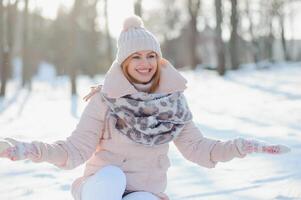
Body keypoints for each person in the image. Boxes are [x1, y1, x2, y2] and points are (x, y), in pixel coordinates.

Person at [0, 15, 290, 200]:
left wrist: (242, 146)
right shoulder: (105, 101)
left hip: (144, 191)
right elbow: (73, 151)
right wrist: (27, 150)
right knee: (113, 178)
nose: (145, 63)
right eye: (136, 56)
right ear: (123, 63)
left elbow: (200, 149)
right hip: (102, 189)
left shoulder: (173, 104)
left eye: (151, 55)